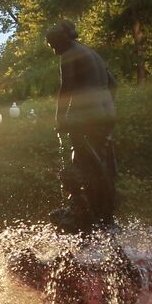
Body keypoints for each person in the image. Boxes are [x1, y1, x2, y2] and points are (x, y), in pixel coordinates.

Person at [46, 19, 118, 233]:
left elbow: (66, 89)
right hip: (106, 111)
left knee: (85, 161)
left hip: (87, 115)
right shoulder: (92, 54)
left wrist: (60, 119)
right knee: (102, 163)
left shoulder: (69, 54)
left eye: (51, 44)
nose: (52, 49)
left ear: (60, 41)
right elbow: (114, 84)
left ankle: (91, 215)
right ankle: (105, 215)